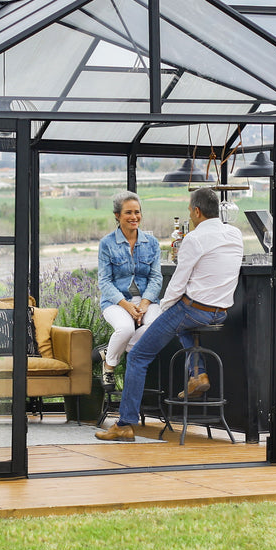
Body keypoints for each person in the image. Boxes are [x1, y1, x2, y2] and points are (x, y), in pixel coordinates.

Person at [97, 186, 244, 441]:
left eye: (189, 211)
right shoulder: (235, 234)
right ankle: (197, 374)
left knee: (138, 356)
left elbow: (177, 284)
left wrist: (163, 309)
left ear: (197, 211)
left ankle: (125, 423)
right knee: (184, 327)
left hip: (193, 310)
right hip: (220, 314)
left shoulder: (194, 239)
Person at [97, 190, 163, 388]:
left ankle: (111, 349)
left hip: (146, 301)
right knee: (125, 328)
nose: (134, 217)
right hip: (116, 302)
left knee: (157, 326)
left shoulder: (151, 243)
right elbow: (105, 282)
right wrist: (127, 305)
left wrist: (144, 303)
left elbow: (156, 277)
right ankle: (109, 366)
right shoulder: (107, 244)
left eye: (137, 212)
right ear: (117, 216)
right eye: (128, 213)